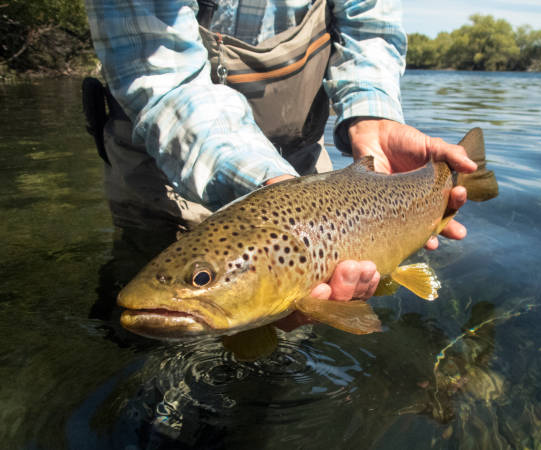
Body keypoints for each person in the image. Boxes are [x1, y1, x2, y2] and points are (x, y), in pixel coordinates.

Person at [84, 0, 476, 328]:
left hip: (299, 167)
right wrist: (271, 185)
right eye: (201, 278)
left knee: (289, 339)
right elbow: (161, 76)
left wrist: (371, 118)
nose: (200, 281)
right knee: (137, 335)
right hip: (160, 165)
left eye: (201, 279)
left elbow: (369, 28)